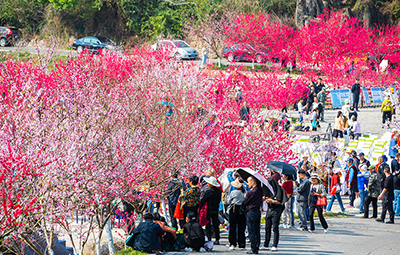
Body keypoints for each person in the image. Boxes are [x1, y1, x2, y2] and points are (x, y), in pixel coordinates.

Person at [260, 177, 284, 252]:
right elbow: (265, 196)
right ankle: (266, 244)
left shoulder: (279, 189)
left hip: (276, 210)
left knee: (275, 228)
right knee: (267, 228)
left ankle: (274, 245)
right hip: (269, 210)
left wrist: (272, 201)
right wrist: (264, 198)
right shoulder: (268, 190)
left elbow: (281, 202)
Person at [243, 176, 263, 254]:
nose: (248, 184)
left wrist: (245, 196)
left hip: (251, 212)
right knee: (257, 230)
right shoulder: (260, 190)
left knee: (251, 231)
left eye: (248, 182)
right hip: (257, 211)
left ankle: (253, 248)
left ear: (252, 182)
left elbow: (245, 202)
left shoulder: (251, 192)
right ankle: (257, 247)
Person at [200, 176, 222, 244]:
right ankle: (217, 238)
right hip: (215, 209)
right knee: (216, 224)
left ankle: (209, 238)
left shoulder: (208, 192)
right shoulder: (219, 191)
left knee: (208, 224)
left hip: (208, 210)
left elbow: (203, 200)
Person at [227, 180, 246, 250]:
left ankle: (232, 243)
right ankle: (242, 244)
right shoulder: (245, 193)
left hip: (234, 209)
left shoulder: (233, 192)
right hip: (242, 210)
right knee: (241, 228)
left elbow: (228, 201)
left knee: (232, 227)